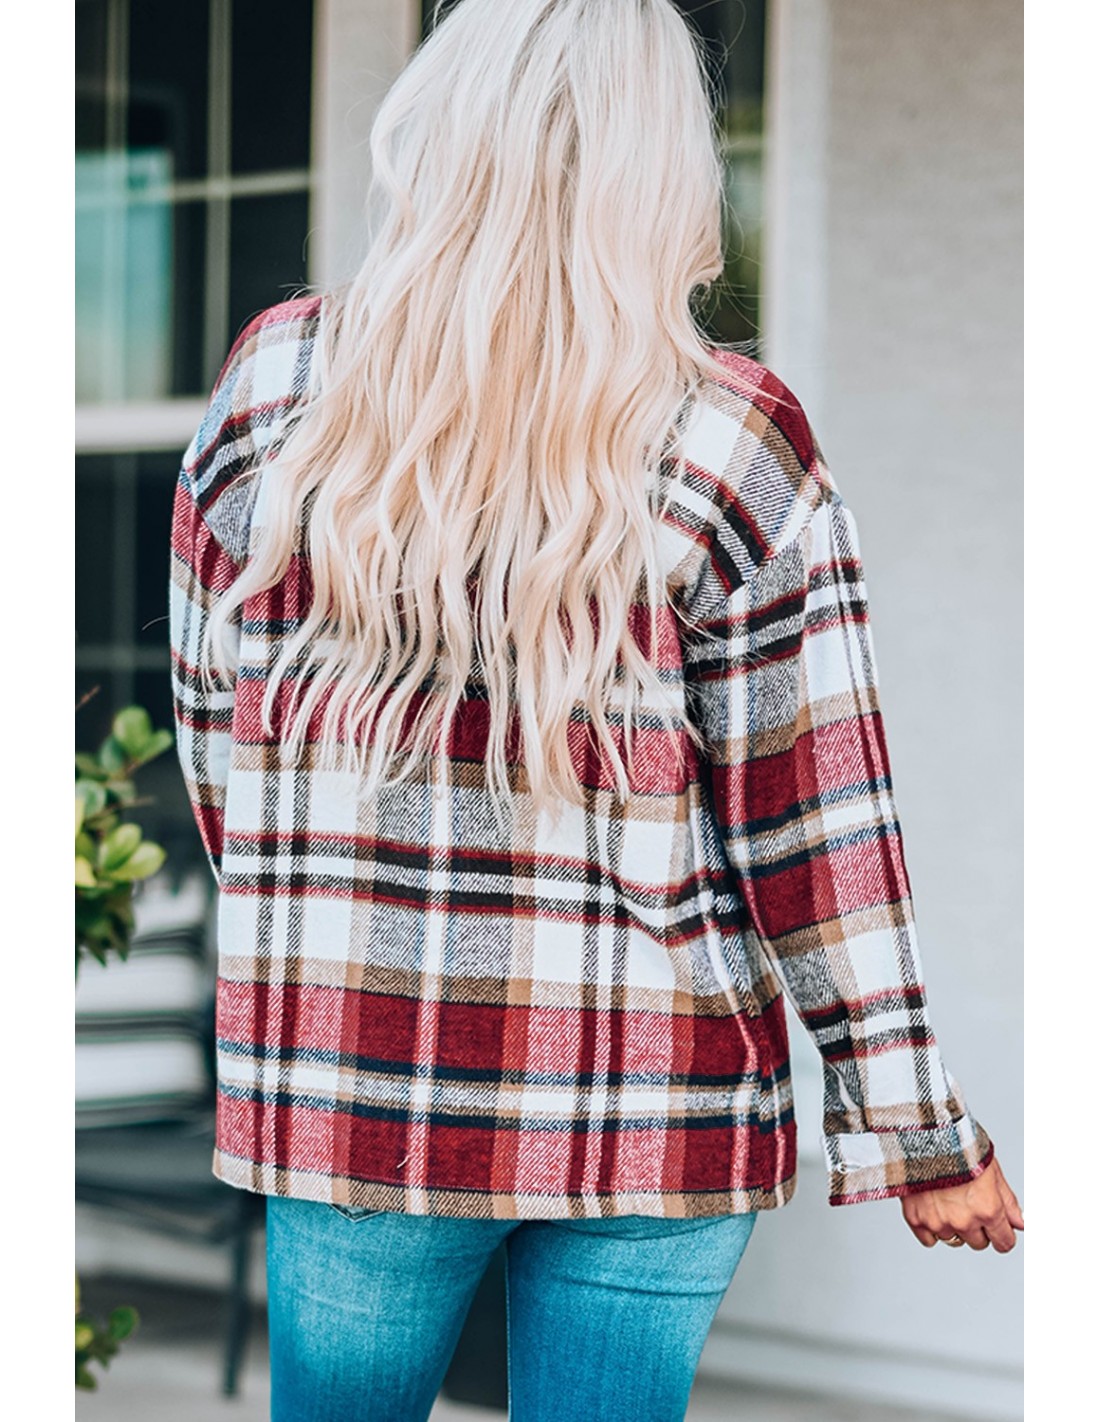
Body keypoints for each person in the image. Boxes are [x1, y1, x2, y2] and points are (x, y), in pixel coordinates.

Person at [168, 2, 1023, 1419]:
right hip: (654, 1097)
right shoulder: (731, 435)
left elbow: (223, 749)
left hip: (350, 1078)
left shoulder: (277, 388)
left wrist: (336, 925)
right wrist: (919, 1128)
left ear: (440, 129)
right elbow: (815, 827)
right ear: (662, 166)